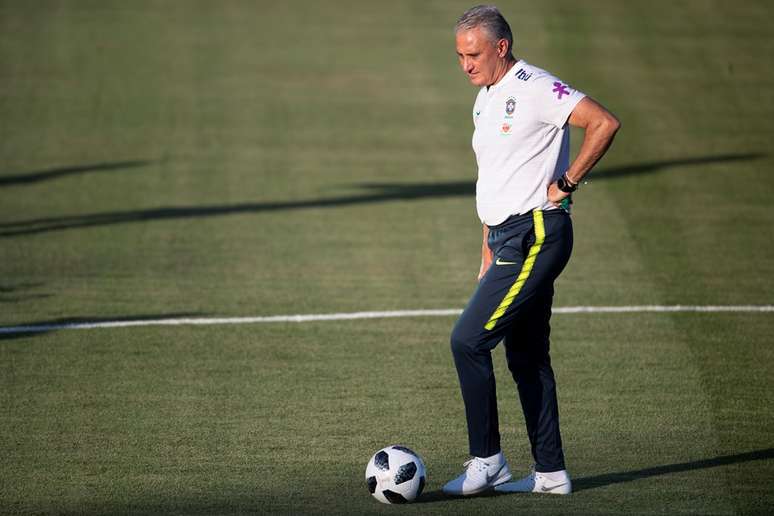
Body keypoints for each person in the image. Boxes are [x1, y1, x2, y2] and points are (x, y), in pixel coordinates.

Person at [442, 5, 620, 496]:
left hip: (536, 235)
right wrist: (485, 249)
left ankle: (488, 460)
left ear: (501, 47)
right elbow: (494, 178)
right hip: (505, 237)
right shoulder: (484, 98)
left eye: (473, 54)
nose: (466, 65)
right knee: (525, 355)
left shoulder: (535, 86)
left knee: (468, 341)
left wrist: (567, 182)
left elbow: (603, 122)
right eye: (459, 56)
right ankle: (550, 475)